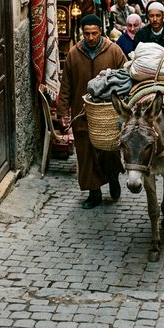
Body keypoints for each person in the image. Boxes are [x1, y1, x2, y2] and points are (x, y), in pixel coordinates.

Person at [57, 14, 126, 210]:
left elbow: (125, 77)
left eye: (94, 33)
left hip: (108, 113)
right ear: (82, 33)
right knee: (85, 153)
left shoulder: (114, 51)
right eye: (87, 34)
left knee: (109, 151)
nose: (90, 37)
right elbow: (66, 85)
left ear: (101, 32)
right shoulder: (74, 53)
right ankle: (93, 191)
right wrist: (63, 111)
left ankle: (113, 178)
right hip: (82, 112)